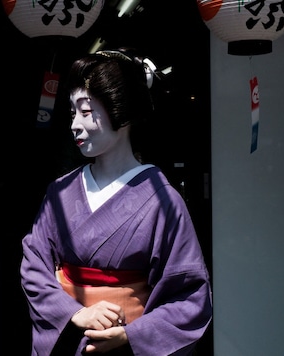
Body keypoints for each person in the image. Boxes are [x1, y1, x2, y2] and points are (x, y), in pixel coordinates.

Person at [19, 48, 213, 355]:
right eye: (72, 113)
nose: (74, 125)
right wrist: (74, 312)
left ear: (120, 112)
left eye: (85, 112)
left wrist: (131, 335)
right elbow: (34, 266)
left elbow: (189, 294)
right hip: (67, 341)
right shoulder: (60, 193)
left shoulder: (163, 201)